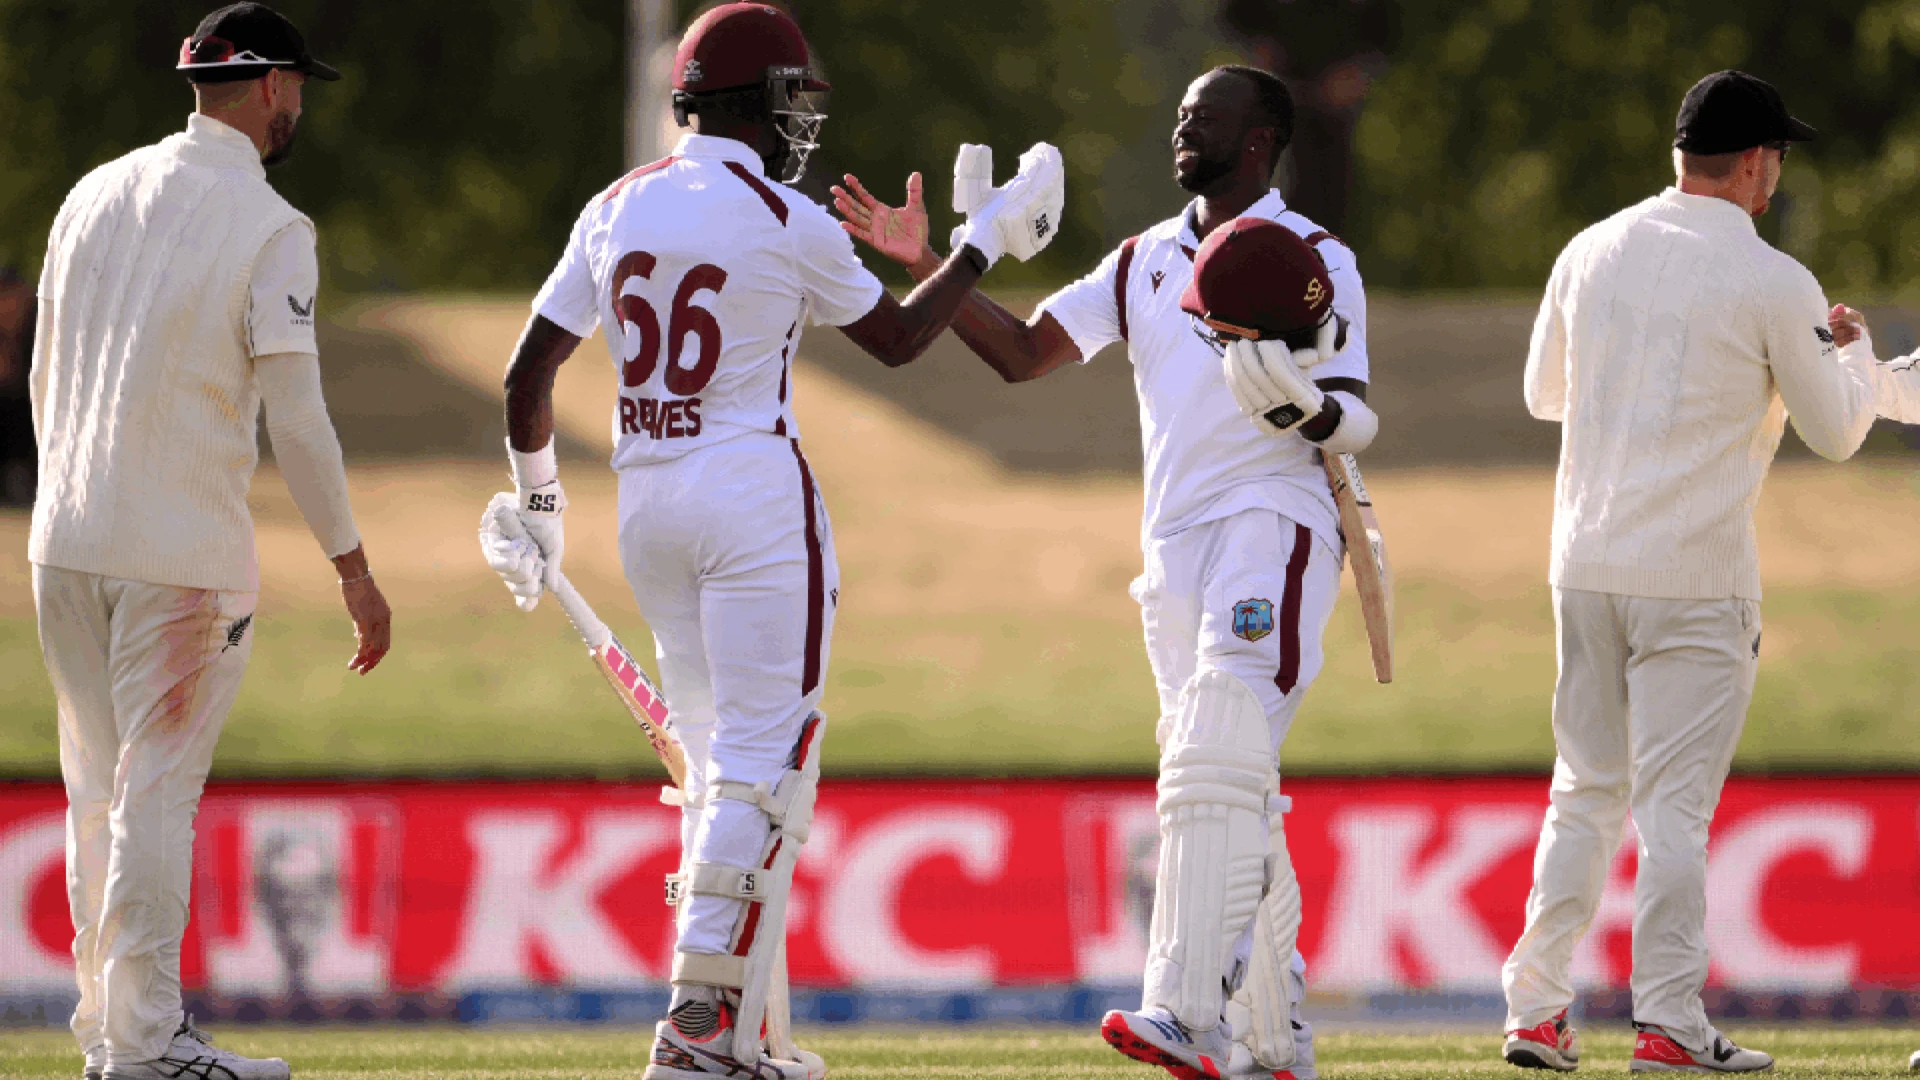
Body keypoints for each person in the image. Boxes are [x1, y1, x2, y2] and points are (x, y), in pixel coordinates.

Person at [477, 5, 1061, 1078]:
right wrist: (980, 242)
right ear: (756, 101)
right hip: (749, 493)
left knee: (715, 774)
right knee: (763, 772)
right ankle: (700, 1024)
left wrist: (541, 505)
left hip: (643, 498)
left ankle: (753, 1034)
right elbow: (897, 340)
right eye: (796, 99)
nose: (805, 123)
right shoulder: (780, 215)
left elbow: (527, 375)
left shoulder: (616, 204)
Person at [835, 64, 1379, 1080]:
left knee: (1216, 751)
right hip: (1171, 551)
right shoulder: (1142, 260)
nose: (1183, 132)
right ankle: (1274, 1039)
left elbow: (1353, 412)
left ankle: (1182, 1013)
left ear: (1259, 141)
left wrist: (1301, 407)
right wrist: (940, 267)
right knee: (1230, 787)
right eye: (1179, 117)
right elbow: (1025, 353)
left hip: (1277, 521)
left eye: (1204, 120)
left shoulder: (1315, 258)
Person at [1498, 71, 1889, 1074]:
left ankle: (1536, 1011)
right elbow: (1839, 434)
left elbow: (1546, 394)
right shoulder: (1773, 279)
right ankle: (1668, 1021)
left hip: (1583, 562)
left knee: (1581, 792)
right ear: (1756, 164)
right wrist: (1852, 356)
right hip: (1697, 578)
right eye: (1777, 161)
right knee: (1671, 810)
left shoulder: (1590, 249)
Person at [29, 5, 391, 1079]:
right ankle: (143, 1042)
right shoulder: (272, 226)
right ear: (274, 87)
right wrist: (354, 569)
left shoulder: (92, 191)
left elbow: (45, 371)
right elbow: (301, 420)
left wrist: (69, 496)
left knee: (95, 788)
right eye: (299, 90)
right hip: (177, 552)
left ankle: (110, 1034)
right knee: (154, 795)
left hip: (66, 538)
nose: (299, 107)